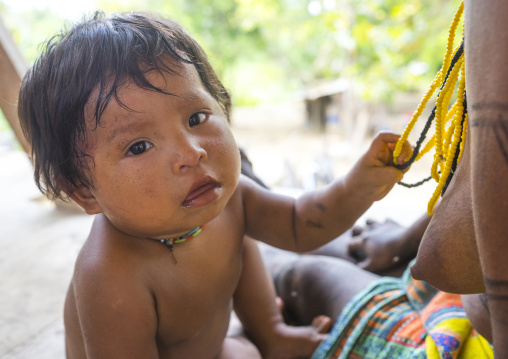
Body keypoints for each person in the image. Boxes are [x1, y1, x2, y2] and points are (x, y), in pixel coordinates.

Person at [17, 12, 413, 359]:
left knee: (239, 315)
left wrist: (362, 183)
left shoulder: (226, 196)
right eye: (139, 146)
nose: (191, 153)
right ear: (85, 191)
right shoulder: (109, 275)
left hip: (212, 348)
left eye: (196, 117)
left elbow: (301, 224)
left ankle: (273, 333)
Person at [260, 1, 508, 358]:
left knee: (309, 274)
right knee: (349, 241)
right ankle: (253, 221)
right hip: (464, 299)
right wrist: (403, 240)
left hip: (466, 342)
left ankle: (248, 252)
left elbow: (435, 262)